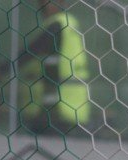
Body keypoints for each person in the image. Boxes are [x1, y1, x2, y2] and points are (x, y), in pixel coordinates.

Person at [11, 0, 92, 135]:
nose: (44, 6)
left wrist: (3, 68)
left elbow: (33, 49)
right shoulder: (68, 23)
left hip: (60, 108)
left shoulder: (57, 24)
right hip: (70, 106)